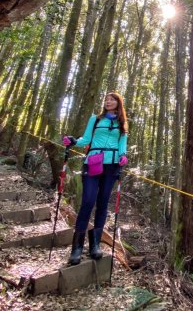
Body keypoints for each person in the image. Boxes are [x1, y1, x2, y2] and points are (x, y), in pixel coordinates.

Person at [62, 92, 128, 265]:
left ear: (118, 103)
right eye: (106, 99)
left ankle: (95, 245)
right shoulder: (96, 119)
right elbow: (86, 139)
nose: (108, 101)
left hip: (112, 166)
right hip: (93, 162)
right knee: (88, 201)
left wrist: (123, 156)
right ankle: (76, 247)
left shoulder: (122, 123)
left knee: (103, 203)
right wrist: (73, 141)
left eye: (112, 99)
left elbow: (122, 144)